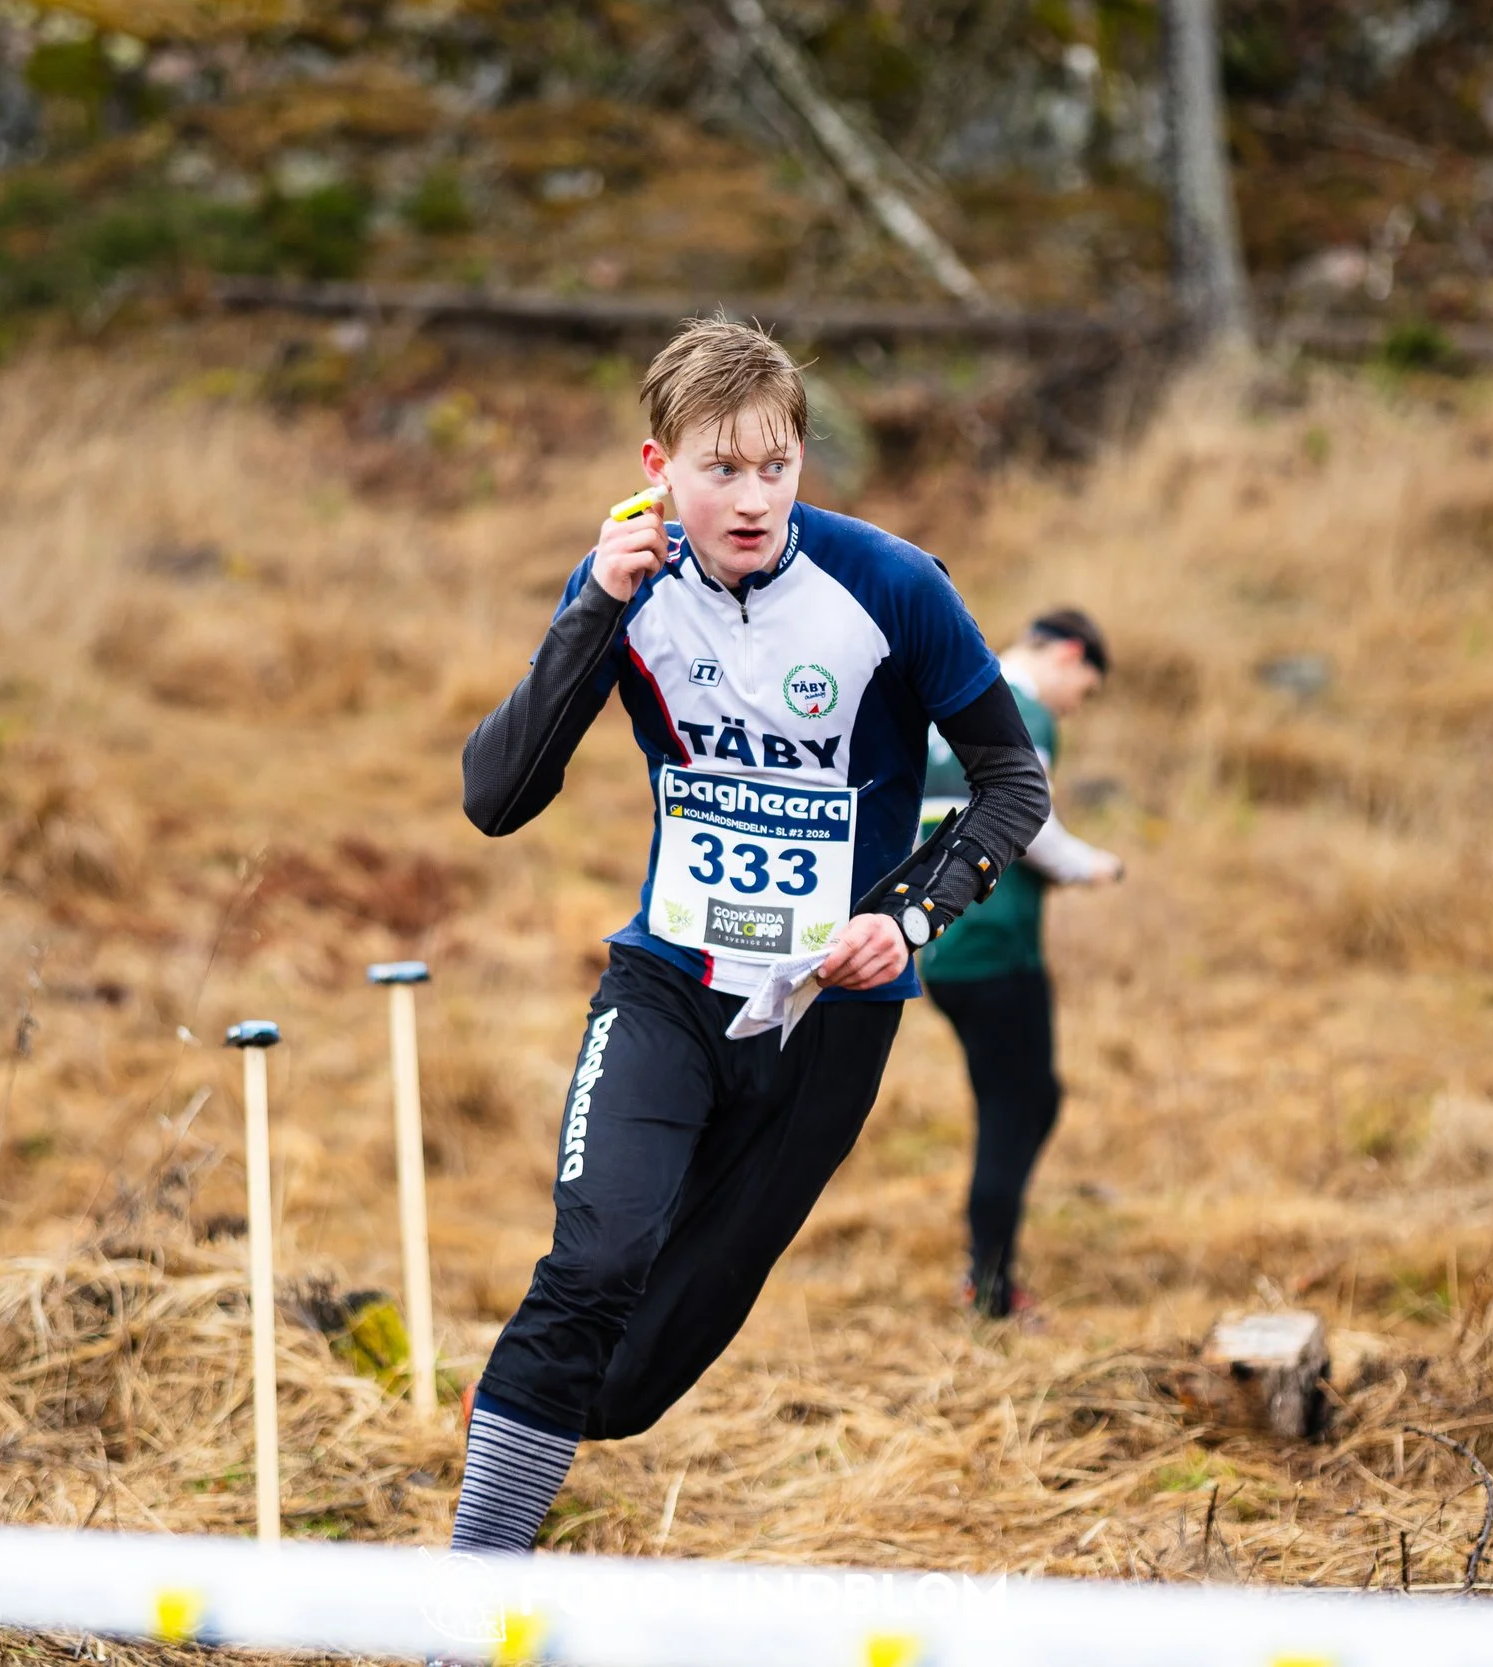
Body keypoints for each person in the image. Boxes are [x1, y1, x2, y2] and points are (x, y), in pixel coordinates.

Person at [449, 318, 1049, 1554]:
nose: (753, 497)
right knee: (594, 1261)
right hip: (667, 977)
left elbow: (1011, 784)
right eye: (720, 468)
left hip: (826, 1020)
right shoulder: (622, 579)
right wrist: (596, 610)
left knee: (633, 1375)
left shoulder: (889, 584)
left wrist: (909, 914)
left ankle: (547, 1415)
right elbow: (495, 798)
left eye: (775, 466)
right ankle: (465, 1609)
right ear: (656, 463)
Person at [918, 609, 1123, 1320]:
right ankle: (991, 1286)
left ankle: (990, 1267)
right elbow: (1026, 818)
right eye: (1085, 688)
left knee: (1024, 1100)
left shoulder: (947, 699)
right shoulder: (1024, 712)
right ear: (1069, 655)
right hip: (996, 944)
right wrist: (1093, 866)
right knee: (1018, 1107)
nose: (1075, 705)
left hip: (936, 940)